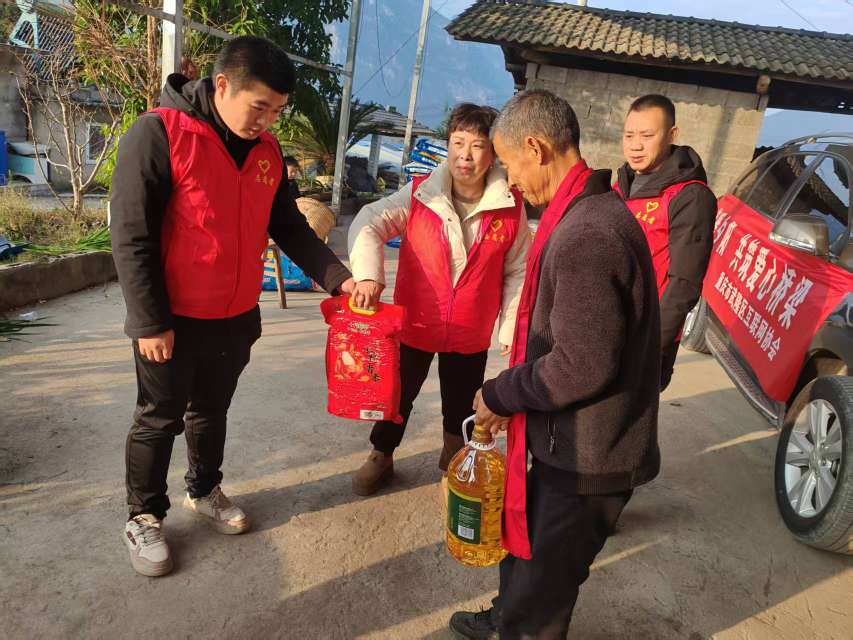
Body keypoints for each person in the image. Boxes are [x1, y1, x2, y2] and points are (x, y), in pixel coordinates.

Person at [110, 36, 354, 577]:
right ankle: (144, 515)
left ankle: (204, 489)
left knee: (211, 410)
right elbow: (131, 236)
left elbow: (289, 225)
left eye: (277, 112)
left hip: (237, 315)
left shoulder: (266, 152)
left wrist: (339, 279)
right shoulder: (159, 133)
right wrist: (149, 320)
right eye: (259, 107)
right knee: (159, 418)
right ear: (223, 85)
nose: (266, 121)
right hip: (171, 320)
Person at [449, 90, 661, 639]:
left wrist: (500, 393)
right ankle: (505, 616)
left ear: (536, 148)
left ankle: (518, 625)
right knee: (524, 554)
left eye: (509, 163)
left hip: (590, 454)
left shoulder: (589, 233)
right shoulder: (583, 213)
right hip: (568, 439)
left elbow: (581, 365)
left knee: (543, 591)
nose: (510, 182)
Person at [347, 103, 529, 496]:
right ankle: (381, 454)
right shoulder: (419, 194)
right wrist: (368, 275)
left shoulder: (510, 206)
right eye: (458, 143)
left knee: (462, 400)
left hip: (470, 328)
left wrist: (511, 325)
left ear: (493, 152)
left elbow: (519, 269)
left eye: (477, 145)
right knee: (398, 393)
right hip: (415, 320)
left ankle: (453, 458)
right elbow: (369, 222)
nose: (466, 155)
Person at [615, 94, 717, 391]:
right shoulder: (622, 185)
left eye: (647, 136)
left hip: (645, 339)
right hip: (608, 326)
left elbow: (684, 283)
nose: (635, 145)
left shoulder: (690, 197)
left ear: (672, 134)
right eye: (629, 135)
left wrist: (649, 346)